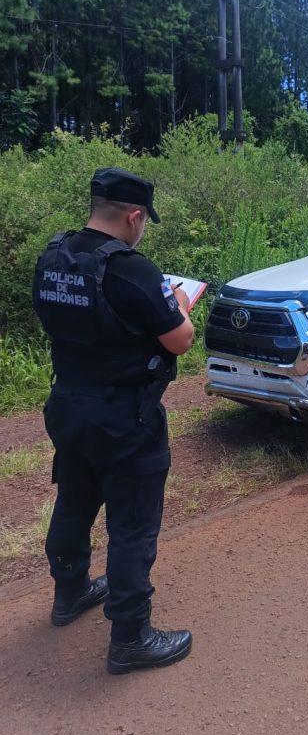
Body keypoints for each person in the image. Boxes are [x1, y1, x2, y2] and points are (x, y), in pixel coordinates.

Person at [32, 167, 195, 675]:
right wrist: (181, 305)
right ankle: (130, 637)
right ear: (134, 215)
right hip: (126, 416)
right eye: (143, 220)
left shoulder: (51, 257)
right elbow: (180, 339)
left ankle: (71, 592)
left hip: (68, 407)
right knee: (132, 526)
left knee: (76, 501)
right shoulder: (134, 271)